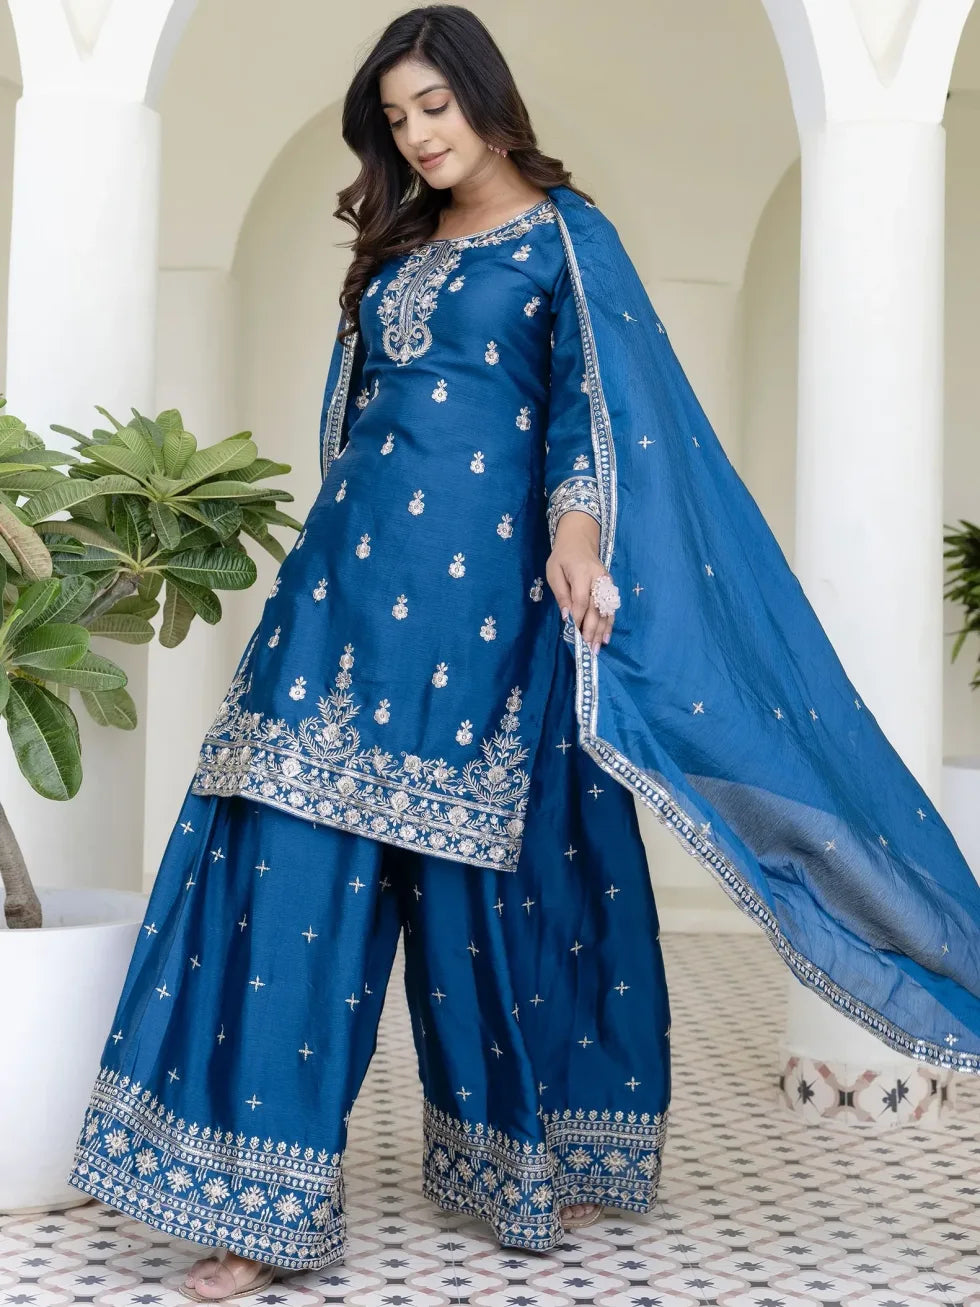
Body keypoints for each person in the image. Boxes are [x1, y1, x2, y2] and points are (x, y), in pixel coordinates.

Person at [66, 4, 980, 1303]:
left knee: (490, 880)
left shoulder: (565, 236)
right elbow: (357, 422)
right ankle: (251, 1210)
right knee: (283, 872)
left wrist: (577, 531)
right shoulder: (392, 247)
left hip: (478, 612)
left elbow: (589, 416)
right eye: (396, 119)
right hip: (337, 596)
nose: (419, 136)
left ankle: (524, 1162)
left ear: (486, 97)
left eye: (433, 105)